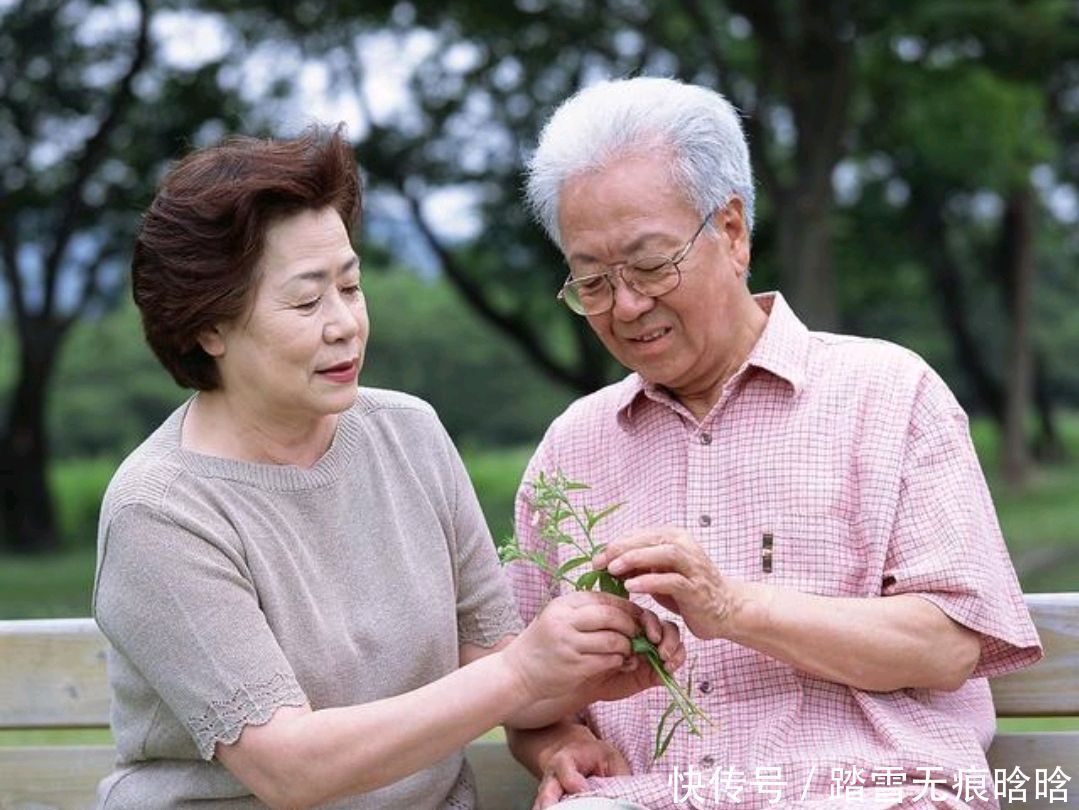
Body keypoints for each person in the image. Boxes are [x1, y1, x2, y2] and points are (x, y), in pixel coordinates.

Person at [91, 124, 685, 810]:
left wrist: (580, 678)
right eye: (307, 300)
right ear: (208, 328)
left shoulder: (409, 433)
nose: (345, 323)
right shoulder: (160, 511)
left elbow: (489, 661)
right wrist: (523, 674)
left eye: (350, 286)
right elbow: (290, 769)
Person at [504, 77, 1043, 810]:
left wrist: (731, 608)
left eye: (650, 265)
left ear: (731, 232)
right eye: (592, 282)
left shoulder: (887, 394)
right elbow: (524, 686)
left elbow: (948, 646)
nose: (626, 306)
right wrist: (554, 744)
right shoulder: (572, 449)